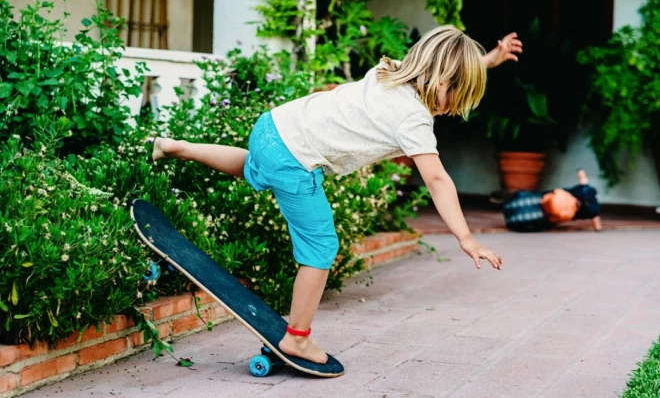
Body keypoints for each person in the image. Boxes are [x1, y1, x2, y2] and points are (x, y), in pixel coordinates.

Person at [150, 25, 521, 365]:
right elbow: (437, 180)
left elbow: (443, 67)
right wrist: (467, 238)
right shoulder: (413, 118)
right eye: (459, 97)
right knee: (321, 248)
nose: (455, 109)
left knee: (253, 166)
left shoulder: (387, 72)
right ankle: (297, 337)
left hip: (272, 128)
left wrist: (488, 59)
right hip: (294, 160)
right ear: (443, 81)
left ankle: (176, 146)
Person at [503, 169, 602, 232]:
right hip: (543, 216)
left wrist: (580, 170)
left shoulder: (585, 190)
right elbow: (596, 224)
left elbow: (582, 177)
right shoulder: (592, 209)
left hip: (540, 201)